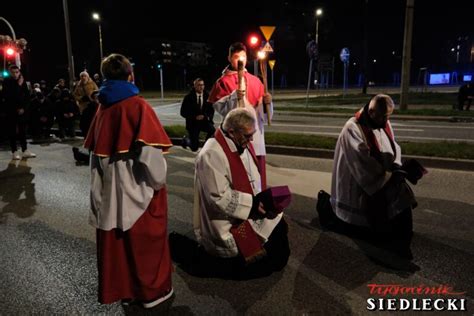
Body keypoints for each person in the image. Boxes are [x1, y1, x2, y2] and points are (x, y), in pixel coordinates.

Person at [84, 53, 174, 307]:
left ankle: (127, 292)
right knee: (144, 243)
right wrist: (158, 183)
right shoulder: (137, 105)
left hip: (109, 187)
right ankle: (151, 293)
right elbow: (152, 159)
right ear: (130, 75)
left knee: (120, 244)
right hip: (136, 187)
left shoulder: (103, 106)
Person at [170, 108, 290, 280]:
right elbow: (218, 198)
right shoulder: (211, 154)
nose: (251, 140)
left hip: (246, 208)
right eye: (248, 135)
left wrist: (263, 200)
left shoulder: (239, 142)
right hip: (227, 221)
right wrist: (254, 204)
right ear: (232, 131)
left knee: (279, 230)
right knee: (262, 265)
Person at [327, 94, 421, 260]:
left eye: (388, 117)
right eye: (384, 117)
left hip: (384, 175)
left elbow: (394, 146)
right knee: (387, 202)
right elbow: (362, 164)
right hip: (359, 185)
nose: (386, 122)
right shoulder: (352, 128)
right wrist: (390, 176)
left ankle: (401, 241)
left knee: (403, 194)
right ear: (371, 112)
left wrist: (397, 165)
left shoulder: (382, 122)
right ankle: (391, 246)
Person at [208, 42, 273, 188]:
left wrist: (267, 103)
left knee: (257, 176)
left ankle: (259, 199)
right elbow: (222, 111)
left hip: (255, 136)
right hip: (236, 137)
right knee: (239, 173)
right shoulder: (222, 82)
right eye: (236, 56)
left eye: (243, 56)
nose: (240, 60)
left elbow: (263, 112)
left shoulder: (256, 80)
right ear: (229, 58)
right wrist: (233, 97)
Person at [2, 65, 35, 160]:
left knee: (23, 131)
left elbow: (27, 96)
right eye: (13, 72)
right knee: (12, 131)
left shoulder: (22, 81)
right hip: (11, 111)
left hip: (22, 111)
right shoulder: (7, 82)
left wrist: (24, 108)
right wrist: (18, 85)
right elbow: (9, 97)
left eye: (17, 72)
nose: (15, 74)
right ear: (10, 73)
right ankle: (14, 151)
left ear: (19, 72)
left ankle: (25, 150)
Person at [180, 78, 215, 151]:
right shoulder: (188, 97)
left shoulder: (207, 96)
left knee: (213, 131)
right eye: (199, 85)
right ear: (194, 86)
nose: (201, 87)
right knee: (194, 148)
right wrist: (195, 117)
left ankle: (206, 147)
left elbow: (211, 110)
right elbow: (183, 112)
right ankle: (186, 141)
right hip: (193, 123)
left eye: (202, 85)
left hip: (204, 121)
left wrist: (205, 116)